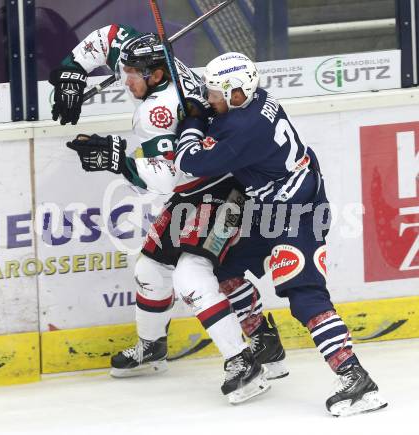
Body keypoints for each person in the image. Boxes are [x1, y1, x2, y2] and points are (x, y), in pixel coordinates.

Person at [49, 25, 287, 403]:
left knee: (192, 275)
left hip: (223, 191)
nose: (125, 80)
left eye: (131, 75)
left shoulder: (157, 112)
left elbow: (170, 175)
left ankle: (244, 361)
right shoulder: (160, 61)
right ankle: (153, 346)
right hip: (196, 193)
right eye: (124, 72)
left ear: (156, 76)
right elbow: (113, 36)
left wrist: (118, 163)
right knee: (150, 270)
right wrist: (73, 69)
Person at [174, 51, 388, 417]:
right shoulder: (255, 101)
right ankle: (265, 342)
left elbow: (189, 161)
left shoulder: (242, 128)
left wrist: (192, 121)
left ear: (237, 93)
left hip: (299, 213)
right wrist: (204, 108)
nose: (211, 99)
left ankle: (355, 378)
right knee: (223, 268)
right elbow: (221, 121)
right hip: (271, 208)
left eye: (215, 93)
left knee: (305, 296)